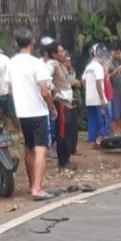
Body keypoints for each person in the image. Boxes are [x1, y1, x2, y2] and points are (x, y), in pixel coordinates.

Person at [7, 28, 57, 201]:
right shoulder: (37, 63)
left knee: (28, 148)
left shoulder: (11, 63)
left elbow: (10, 90)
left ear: (16, 43)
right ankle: (37, 188)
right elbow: (44, 90)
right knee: (41, 149)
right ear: (32, 42)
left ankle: (31, 184)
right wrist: (52, 107)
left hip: (22, 113)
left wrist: (18, 106)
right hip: (38, 111)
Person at [45, 41, 78, 171]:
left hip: (66, 102)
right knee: (62, 132)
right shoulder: (52, 64)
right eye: (61, 51)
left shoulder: (61, 65)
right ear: (54, 54)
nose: (64, 54)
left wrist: (69, 69)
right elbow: (46, 80)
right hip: (61, 102)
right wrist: (54, 91)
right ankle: (63, 161)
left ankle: (66, 159)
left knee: (68, 132)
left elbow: (70, 81)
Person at [83, 45, 108, 145]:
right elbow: (98, 83)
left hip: (89, 98)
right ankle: (100, 137)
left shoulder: (88, 67)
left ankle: (92, 140)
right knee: (107, 118)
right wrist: (102, 98)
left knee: (92, 120)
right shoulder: (98, 67)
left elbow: (83, 80)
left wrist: (88, 90)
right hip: (97, 98)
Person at [64, 55, 81, 154]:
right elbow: (71, 83)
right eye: (66, 61)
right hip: (65, 102)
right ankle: (67, 149)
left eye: (69, 61)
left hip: (74, 101)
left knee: (74, 127)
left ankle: (73, 148)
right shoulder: (60, 71)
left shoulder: (72, 70)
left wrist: (75, 82)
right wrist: (74, 82)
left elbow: (77, 83)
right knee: (67, 127)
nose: (68, 63)